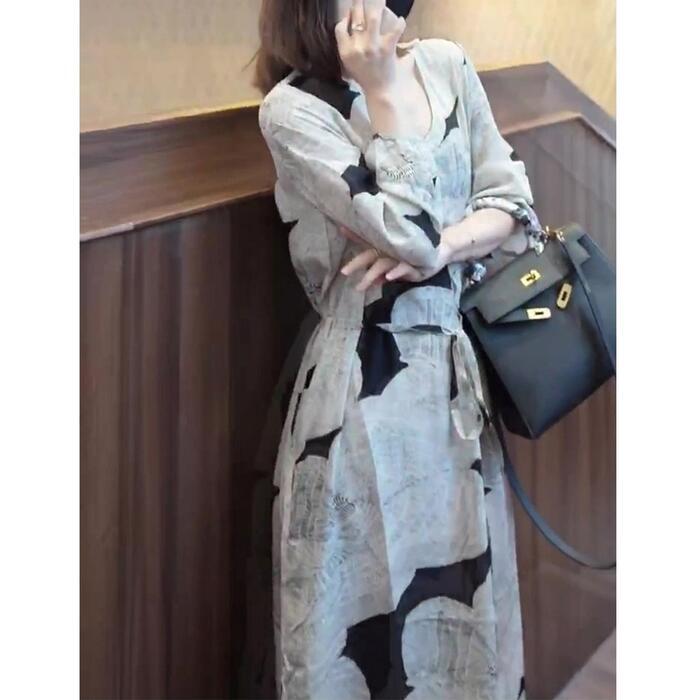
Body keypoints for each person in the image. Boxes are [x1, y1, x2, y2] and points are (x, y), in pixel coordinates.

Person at [253, 1, 542, 697]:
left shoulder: (446, 65)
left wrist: (445, 245)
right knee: (361, 643)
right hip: (359, 390)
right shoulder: (294, 109)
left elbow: (513, 205)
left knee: (461, 631)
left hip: (453, 384)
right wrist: (383, 91)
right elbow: (407, 229)